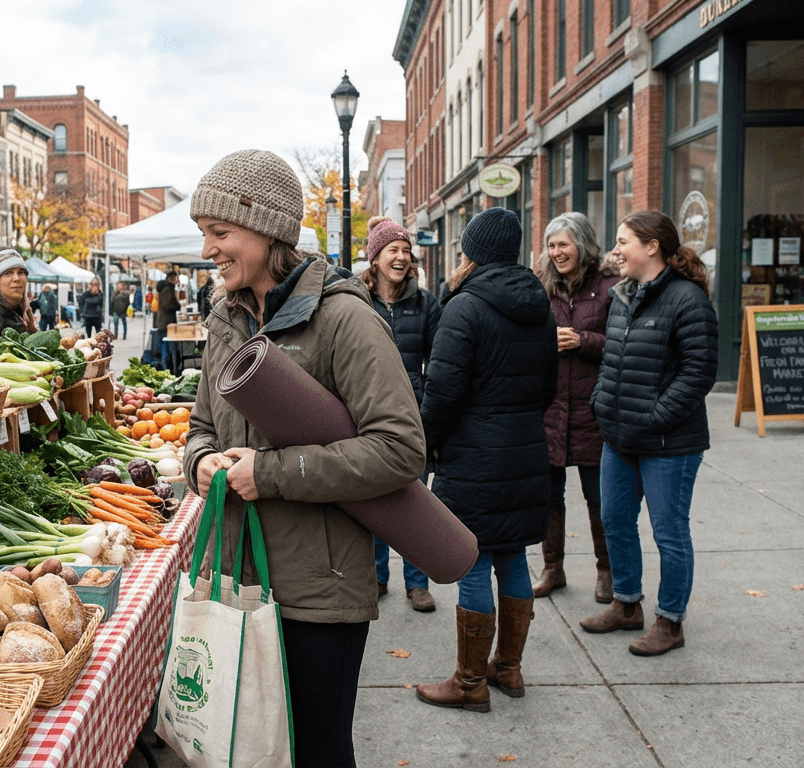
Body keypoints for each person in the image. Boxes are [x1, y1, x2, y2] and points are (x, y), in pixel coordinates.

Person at [184, 149, 425, 766]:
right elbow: (202, 426)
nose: (208, 250)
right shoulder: (224, 319)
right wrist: (201, 463)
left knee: (315, 751)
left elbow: (399, 450)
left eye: (220, 233)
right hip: (236, 574)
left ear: (268, 231)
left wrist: (269, 474)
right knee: (246, 747)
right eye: (204, 235)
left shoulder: (345, 319)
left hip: (320, 590)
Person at [416, 208, 557, 712]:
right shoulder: (539, 306)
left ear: (472, 253)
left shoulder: (464, 307)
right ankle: (510, 668)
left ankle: (470, 682)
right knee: (514, 556)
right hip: (524, 453)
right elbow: (548, 388)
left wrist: (426, 444)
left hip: (473, 457)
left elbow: (442, 393)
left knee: (473, 561)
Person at [581, 211, 717, 657]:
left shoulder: (686, 300)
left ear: (652, 246)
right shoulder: (622, 296)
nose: (616, 250)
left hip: (668, 444)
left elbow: (699, 373)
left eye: (623, 242)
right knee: (615, 520)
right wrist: (602, 400)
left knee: (669, 532)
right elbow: (611, 359)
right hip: (620, 437)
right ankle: (626, 604)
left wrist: (657, 416)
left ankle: (671, 621)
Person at [532, 212, 621, 603]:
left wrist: (582, 340)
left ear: (582, 245)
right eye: (551, 246)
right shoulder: (541, 288)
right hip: (550, 410)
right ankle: (553, 568)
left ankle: (608, 572)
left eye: (563, 244)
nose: (556, 253)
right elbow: (525, 339)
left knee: (599, 498)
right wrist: (543, 342)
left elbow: (623, 343)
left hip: (593, 410)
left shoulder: (610, 288)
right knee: (548, 498)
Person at [360, 218, 442, 613]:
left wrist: (428, 409)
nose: (402, 257)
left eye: (406, 251)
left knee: (414, 500)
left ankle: (417, 583)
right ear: (375, 257)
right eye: (393, 250)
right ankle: (376, 577)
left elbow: (439, 361)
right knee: (373, 498)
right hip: (368, 412)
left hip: (414, 413)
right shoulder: (357, 299)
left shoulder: (424, 302)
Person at [154, 269, 180, 367]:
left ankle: (167, 365)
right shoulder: (167, 288)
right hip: (166, 322)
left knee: (165, 344)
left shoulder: (167, 287)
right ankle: (167, 366)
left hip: (164, 321)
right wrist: (177, 306)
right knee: (166, 344)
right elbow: (167, 304)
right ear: (172, 278)